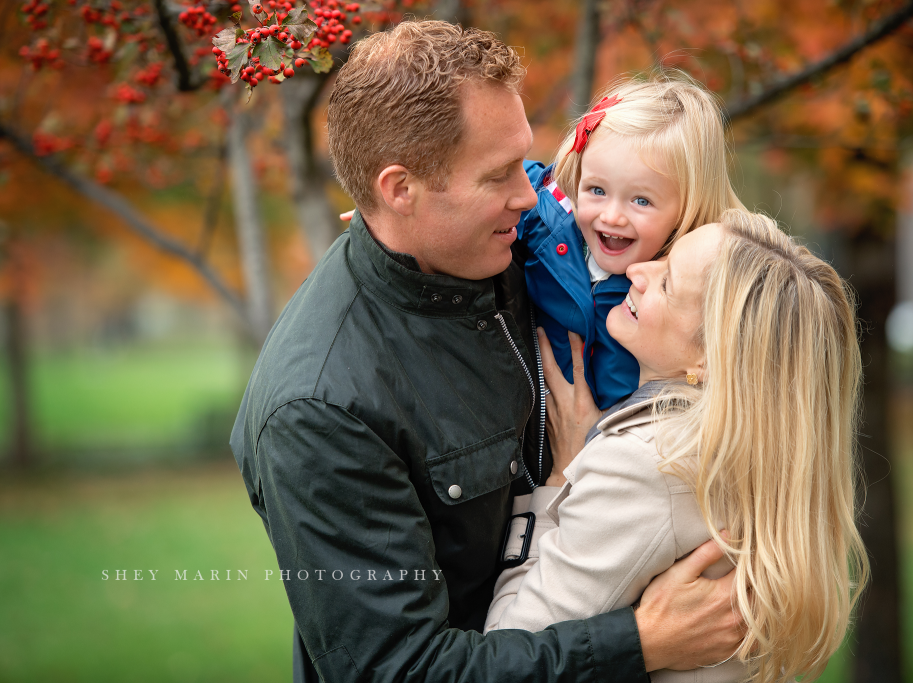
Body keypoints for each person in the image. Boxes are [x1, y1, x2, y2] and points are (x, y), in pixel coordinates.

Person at [230, 20, 743, 683]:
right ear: (399, 190)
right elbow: (402, 670)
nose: (532, 195)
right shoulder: (320, 408)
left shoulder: (506, 246)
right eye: (499, 175)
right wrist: (639, 640)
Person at [486, 210, 870, 683]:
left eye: (667, 283)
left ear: (712, 357)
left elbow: (508, 651)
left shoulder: (646, 466)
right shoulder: (763, 454)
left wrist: (560, 479)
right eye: (663, 258)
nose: (636, 271)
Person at [517, 73, 743, 411]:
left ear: (686, 210)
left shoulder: (684, 302)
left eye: (641, 201)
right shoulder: (545, 223)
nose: (611, 216)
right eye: (597, 190)